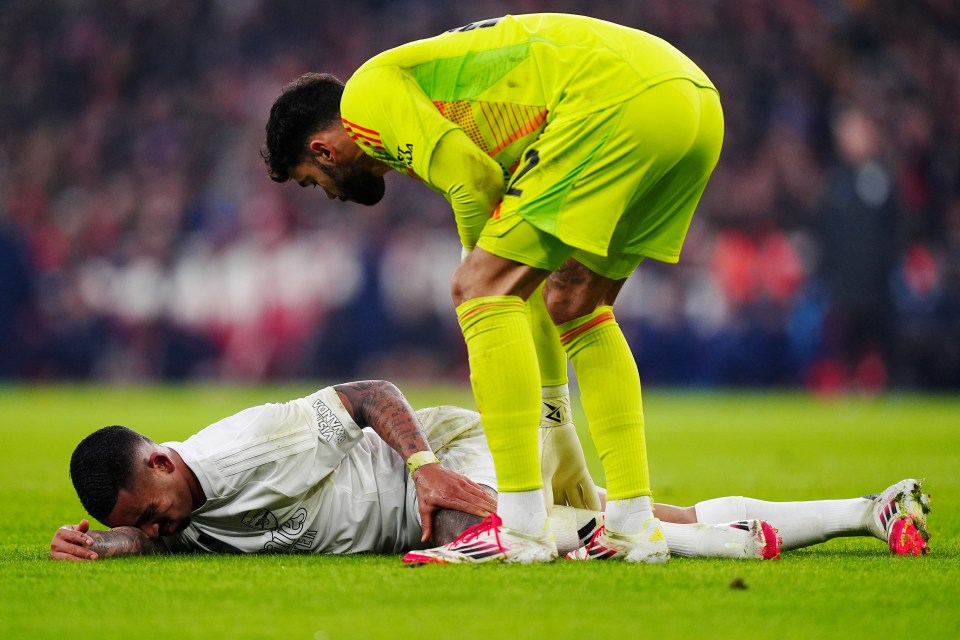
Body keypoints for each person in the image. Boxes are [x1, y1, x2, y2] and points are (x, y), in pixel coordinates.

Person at [262, 13, 725, 563]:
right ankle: (633, 521)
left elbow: (473, 181)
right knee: (577, 303)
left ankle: (521, 525)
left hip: (612, 102)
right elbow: (528, 279)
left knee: (479, 286)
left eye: (312, 183)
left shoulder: (366, 100)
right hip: (689, 102)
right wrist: (556, 419)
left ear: (322, 150)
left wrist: (477, 274)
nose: (329, 196)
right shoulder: (439, 102)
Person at [50, 380, 930, 562]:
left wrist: (427, 470)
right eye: (147, 521)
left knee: (493, 542)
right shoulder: (179, 514)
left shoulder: (247, 445)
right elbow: (174, 535)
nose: (162, 527)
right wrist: (121, 546)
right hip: (427, 497)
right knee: (653, 510)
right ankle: (863, 509)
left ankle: (729, 549)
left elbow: (367, 391)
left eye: (153, 510)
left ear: (165, 461)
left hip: (443, 460)